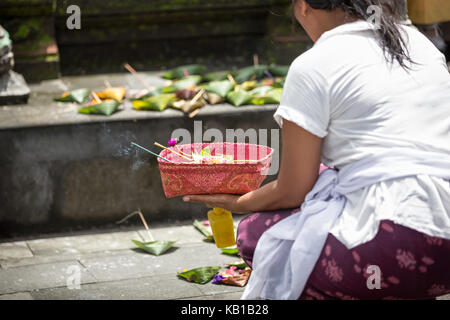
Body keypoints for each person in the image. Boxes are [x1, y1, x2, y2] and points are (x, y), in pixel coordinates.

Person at [183, 0, 450, 300]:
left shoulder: (314, 64)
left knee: (255, 236)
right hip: (445, 247)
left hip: (392, 248)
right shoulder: (422, 46)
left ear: (303, 6)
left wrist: (239, 202)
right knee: (325, 177)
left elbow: (293, 190)